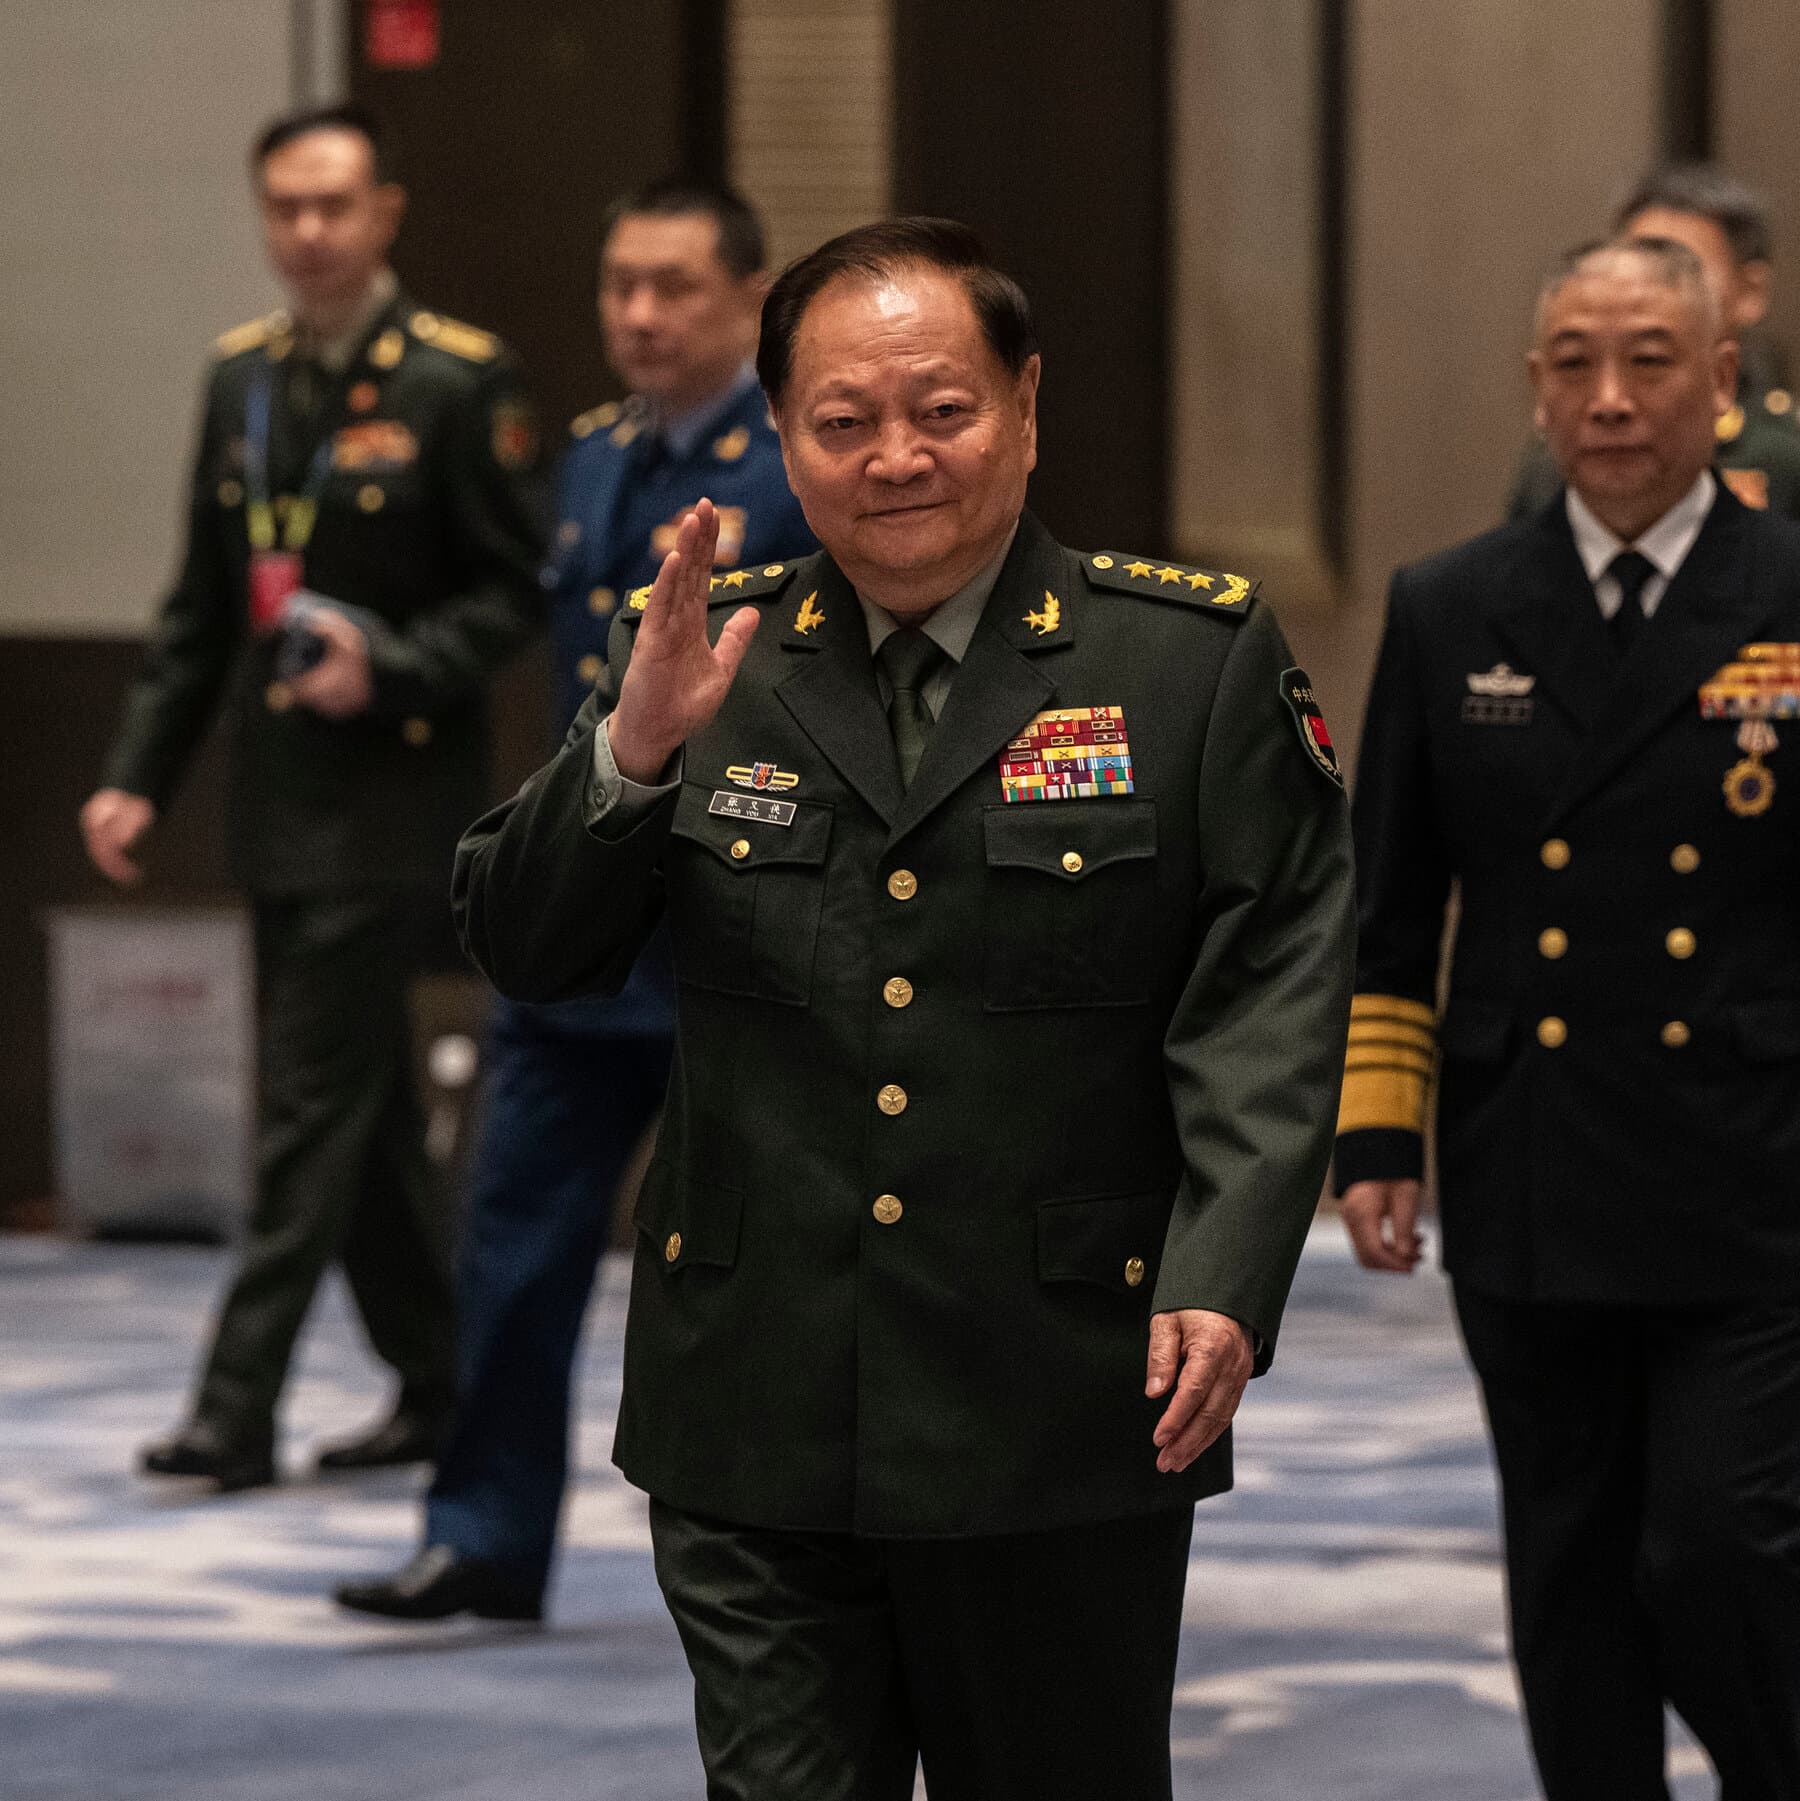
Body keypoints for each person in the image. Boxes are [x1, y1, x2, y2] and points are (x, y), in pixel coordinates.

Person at [453, 218, 1355, 1798]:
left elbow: (1270, 979)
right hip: (753, 1397)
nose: (895, 458)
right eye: (843, 422)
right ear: (784, 437)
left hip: (1060, 1396)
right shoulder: (703, 649)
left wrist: (1227, 1267)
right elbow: (530, 948)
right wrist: (633, 755)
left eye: (940, 411)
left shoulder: (1182, 662)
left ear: (1024, 405)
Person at [1340, 236, 1800, 1797]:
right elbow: (1390, 908)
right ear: (1538, 395)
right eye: (1575, 366)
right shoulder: (1452, 604)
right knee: (1570, 1564)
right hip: (1532, 1162)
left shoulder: (1791, 591)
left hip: (1756, 1167)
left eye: (1652, 361)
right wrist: (1379, 1135)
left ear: (1723, 384)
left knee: (1722, 1544)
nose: (1613, 400)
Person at [335, 181, 814, 1623]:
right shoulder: (594, 459)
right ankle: (482, 1538)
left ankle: (795, 1550)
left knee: (763, 1274)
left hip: (737, 930)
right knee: (510, 1243)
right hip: (582, 933)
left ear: (749, 295)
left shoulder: (796, 468)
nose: (641, 316)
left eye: (673, 287)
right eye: (619, 286)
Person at [80, 103, 545, 1493]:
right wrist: (133, 779)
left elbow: (519, 590)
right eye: (285, 207)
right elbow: (202, 611)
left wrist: (390, 666)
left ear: (386, 213)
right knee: (365, 1118)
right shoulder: (245, 382)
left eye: (335, 205)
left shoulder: (458, 381)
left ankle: (236, 1407)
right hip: (278, 809)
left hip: (393, 809)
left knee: (304, 1108)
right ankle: (440, 1378)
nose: (308, 232)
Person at [1510, 163, 1800, 519]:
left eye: (1684, 268)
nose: (1610, 404)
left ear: (1749, 292)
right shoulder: (1561, 456)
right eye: (1638, 260)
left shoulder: (1786, 451)